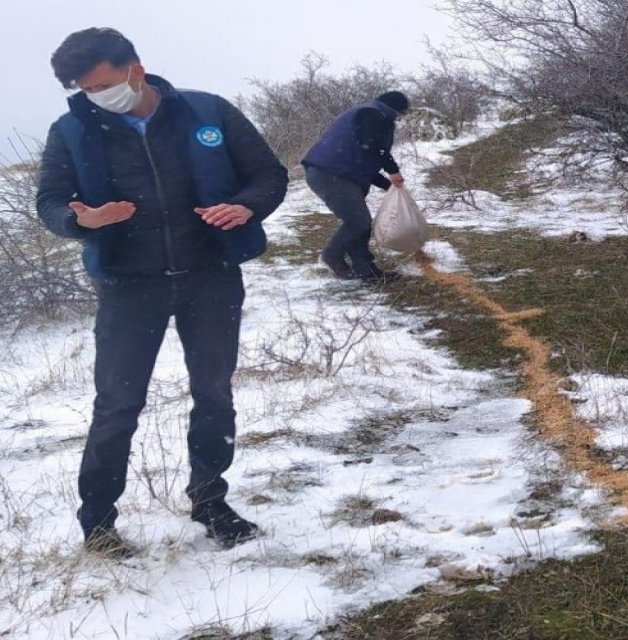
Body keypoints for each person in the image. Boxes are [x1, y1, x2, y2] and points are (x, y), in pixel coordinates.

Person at [36, 28, 288, 557]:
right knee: (117, 405)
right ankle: (99, 524)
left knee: (214, 393)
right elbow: (51, 203)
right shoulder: (73, 131)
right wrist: (82, 220)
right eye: (86, 90)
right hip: (129, 286)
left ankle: (210, 501)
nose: (97, 96)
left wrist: (247, 207)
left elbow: (267, 175)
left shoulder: (206, 113)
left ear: (136, 67)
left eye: (104, 83)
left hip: (210, 275)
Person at [302, 91, 410, 283]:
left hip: (333, 172)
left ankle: (366, 270)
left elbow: (361, 158)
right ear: (396, 109)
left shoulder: (367, 113)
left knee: (359, 222)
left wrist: (386, 184)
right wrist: (393, 170)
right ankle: (331, 256)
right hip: (331, 173)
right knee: (358, 221)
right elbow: (373, 146)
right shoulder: (373, 114)